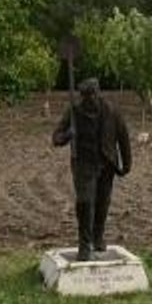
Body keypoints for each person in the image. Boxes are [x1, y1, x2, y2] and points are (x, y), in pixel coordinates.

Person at [52, 78, 133, 261]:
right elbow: (56, 137)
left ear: (98, 93)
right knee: (85, 203)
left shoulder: (112, 111)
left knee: (102, 203)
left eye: (92, 95)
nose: (89, 99)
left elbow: (123, 137)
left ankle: (98, 237)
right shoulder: (74, 112)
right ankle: (84, 245)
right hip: (84, 164)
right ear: (82, 96)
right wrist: (68, 135)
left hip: (107, 164)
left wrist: (126, 164)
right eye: (85, 96)